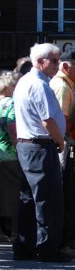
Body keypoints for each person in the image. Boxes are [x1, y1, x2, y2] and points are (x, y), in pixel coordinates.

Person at [12, 43, 69, 262]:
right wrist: (60, 140)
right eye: (54, 60)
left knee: (28, 198)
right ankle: (47, 248)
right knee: (48, 198)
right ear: (40, 61)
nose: (58, 64)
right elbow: (48, 120)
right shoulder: (39, 85)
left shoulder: (25, 82)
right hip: (39, 145)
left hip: (27, 144)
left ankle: (24, 246)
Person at [50, 49, 75, 257]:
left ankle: (68, 239)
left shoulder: (64, 85)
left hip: (65, 146)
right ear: (66, 66)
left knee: (71, 195)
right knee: (70, 195)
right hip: (67, 147)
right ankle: (65, 241)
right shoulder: (63, 87)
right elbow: (63, 122)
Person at [0, 72, 23, 243]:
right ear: (10, 87)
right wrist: (18, 144)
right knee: (15, 194)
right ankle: (16, 232)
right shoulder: (11, 103)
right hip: (9, 153)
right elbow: (12, 125)